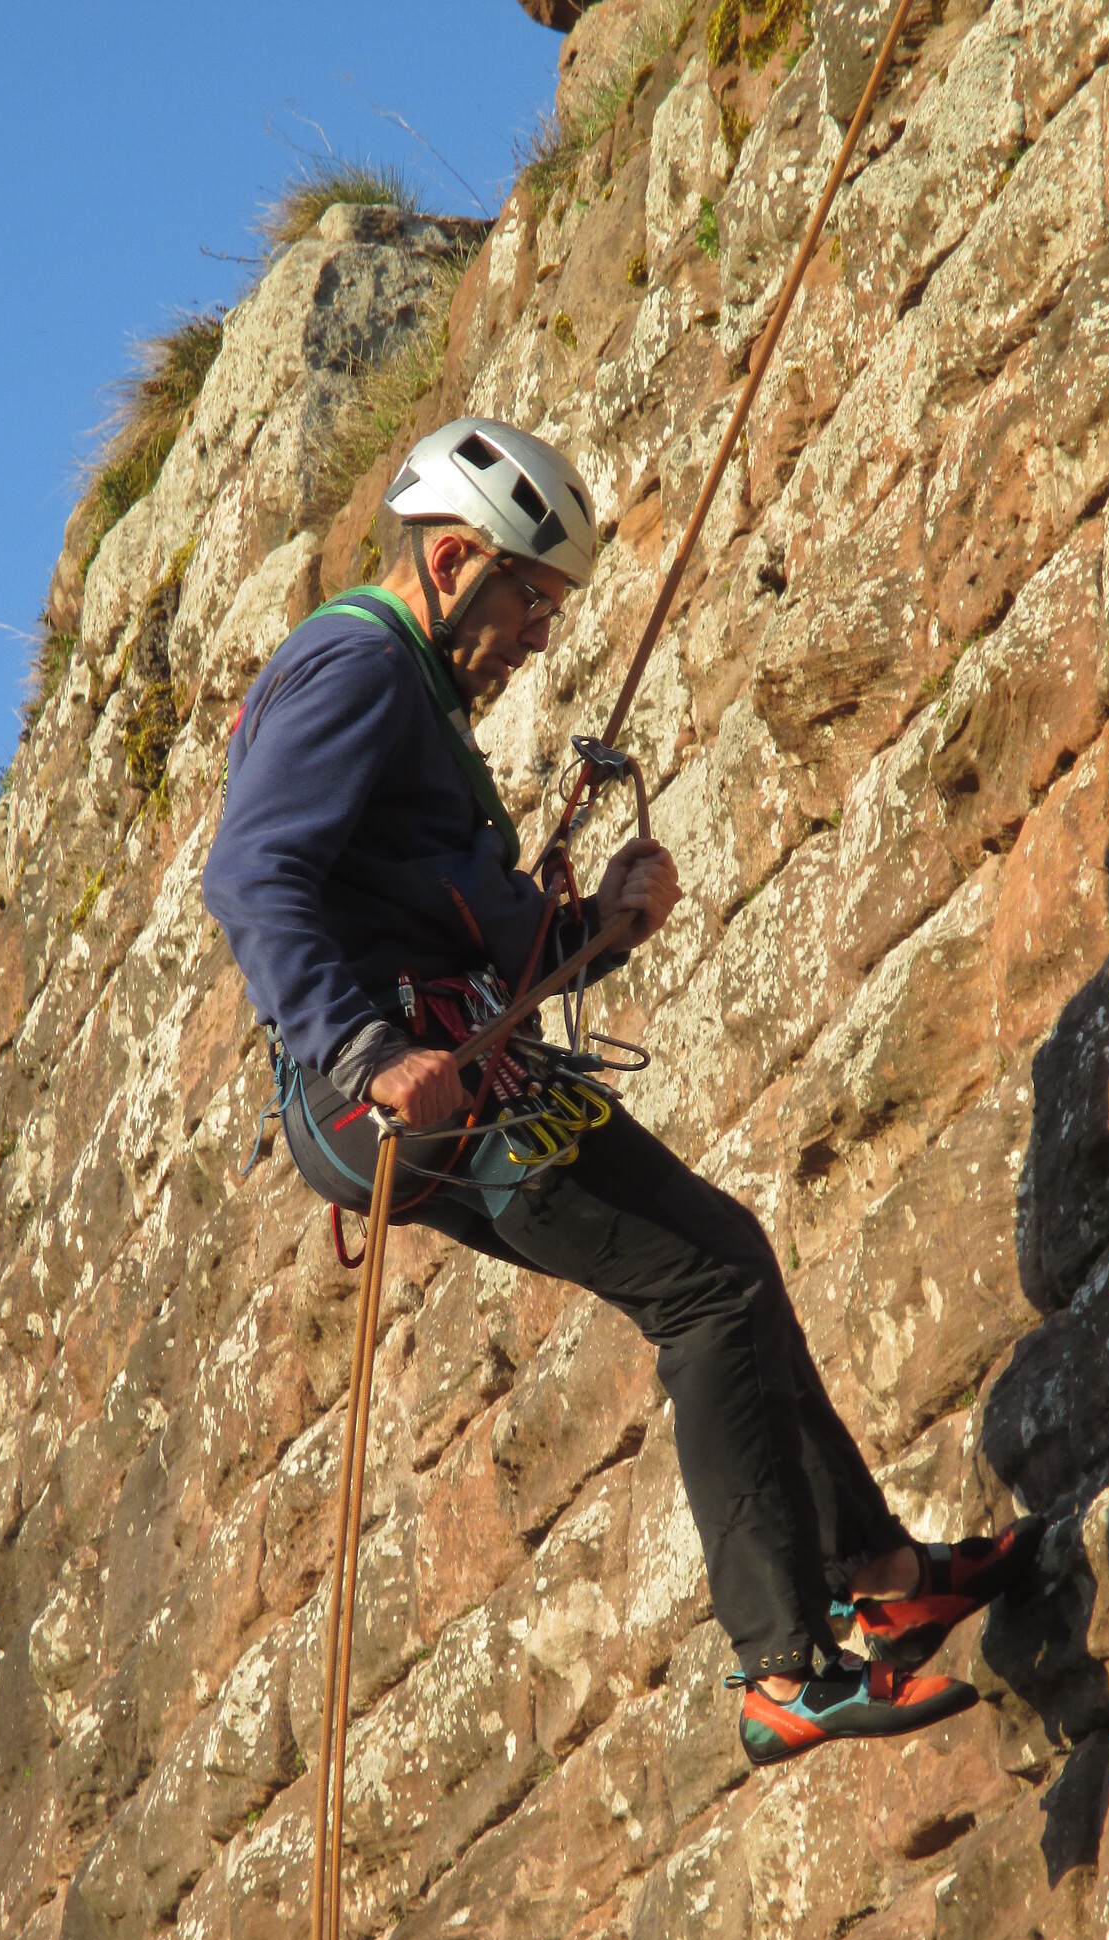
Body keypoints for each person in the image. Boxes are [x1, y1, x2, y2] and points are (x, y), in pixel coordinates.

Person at [203, 418, 1032, 1766]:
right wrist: (361, 1050)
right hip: (411, 1088)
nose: (539, 638)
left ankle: (879, 1578)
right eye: (530, 601)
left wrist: (598, 929)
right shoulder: (359, 667)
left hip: (457, 1061)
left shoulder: (404, 692)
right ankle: (783, 1669)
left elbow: (443, 910)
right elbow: (252, 873)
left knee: (724, 1256)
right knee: (701, 1286)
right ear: (457, 560)